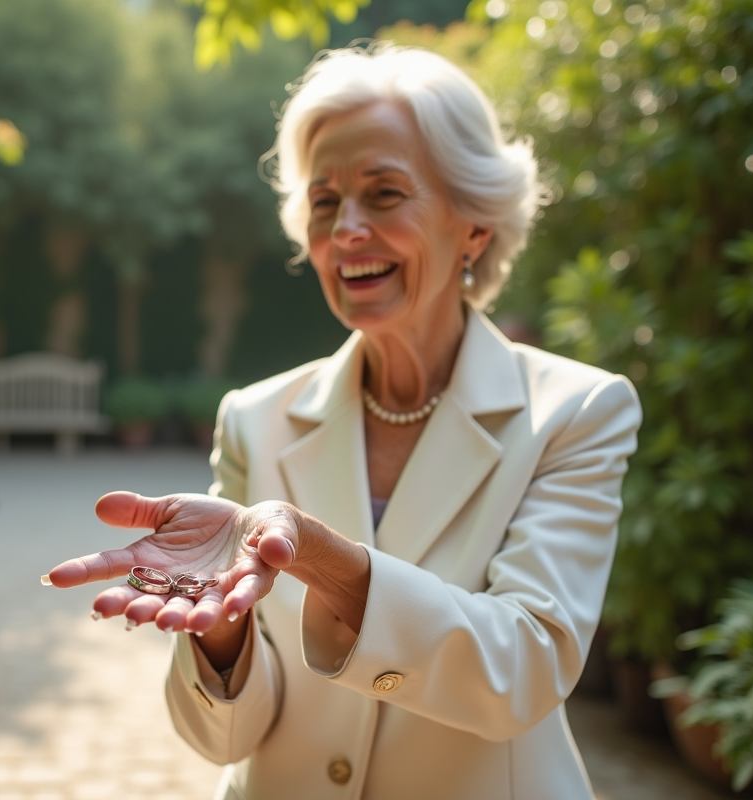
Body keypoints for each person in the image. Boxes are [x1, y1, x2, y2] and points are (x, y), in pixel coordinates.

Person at [44, 46, 642, 800]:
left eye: (385, 193)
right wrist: (221, 633)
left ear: (476, 227)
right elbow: (221, 739)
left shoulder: (579, 412)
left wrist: (324, 559)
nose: (346, 229)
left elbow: (521, 673)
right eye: (324, 203)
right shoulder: (253, 418)